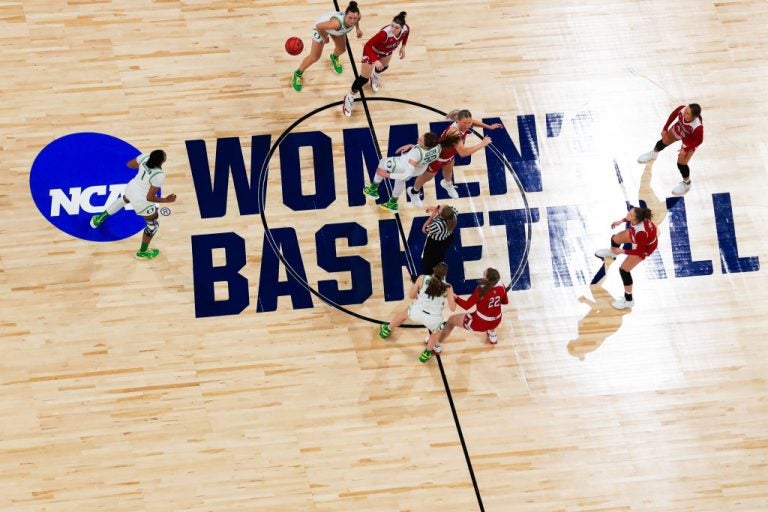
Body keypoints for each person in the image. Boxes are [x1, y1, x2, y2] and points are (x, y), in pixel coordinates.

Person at [89, 150, 177, 260]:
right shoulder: (159, 176)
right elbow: (149, 198)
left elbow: (129, 164)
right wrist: (166, 200)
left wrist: (143, 168)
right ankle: (142, 252)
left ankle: (98, 219)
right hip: (141, 200)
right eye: (165, 155)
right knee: (153, 225)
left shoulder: (145, 157)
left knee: (123, 200)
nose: (165, 155)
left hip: (132, 187)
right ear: (162, 161)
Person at [407, 109, 503, 204]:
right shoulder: (454, 132)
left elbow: (473, 121)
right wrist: (482, 144)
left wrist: (489, 127)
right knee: (426, 177)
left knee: (448, 172)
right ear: (457, 121)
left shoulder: (466, 123)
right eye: (464, 123)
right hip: (437, 158)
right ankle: (413, 192)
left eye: (468, 123)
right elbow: (463, 153)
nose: (467, 125)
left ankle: (447, 184)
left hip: (449, 156)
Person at [362, 131, 460, 213]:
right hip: (419, 169)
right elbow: (424, 152)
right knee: (400, 182)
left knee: (382, 163)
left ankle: (373, 190)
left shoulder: (416, 153)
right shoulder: (438, 146)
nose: (418, 138)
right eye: (421, 137)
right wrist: (411, 146)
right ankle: (392, 203)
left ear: (426, 145)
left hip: (404, 167)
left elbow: (406, 174)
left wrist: (387, 174)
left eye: (421, 140)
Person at [378, 262, 456, 363]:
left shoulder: (422, 278)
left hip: (417, 311)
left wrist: (418, 297)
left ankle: (386, 329)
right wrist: (454, 298)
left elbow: (411, 295)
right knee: (436, 333)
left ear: (433, 269)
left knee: (403, 315)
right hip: (433, 318)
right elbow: (453, 308)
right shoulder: (448, 287)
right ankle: (427, 352)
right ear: (445, 275)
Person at [342, 11, 409, 116]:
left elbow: (406, 35)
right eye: (392, 26)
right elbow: (367, 46)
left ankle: (375, 75)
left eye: (396, 28)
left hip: (386, 51)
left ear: (402, 27)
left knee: (384, 67)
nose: (393, 29)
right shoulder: (384, 34)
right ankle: (349, 97)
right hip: (371, 52)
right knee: (363, 79)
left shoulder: (406, 29)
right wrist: (375, 60)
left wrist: (403, 46)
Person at [594, 207, 658, 310]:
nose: (627, 215)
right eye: (629, 213)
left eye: (630, 215)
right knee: (615, 238)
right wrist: (621, 221)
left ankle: (628, 300)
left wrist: (623, 251)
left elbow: (640, 251)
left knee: (624, 270)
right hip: (637, 236)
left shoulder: (641, 233)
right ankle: (612, 253)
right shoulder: (640, 217)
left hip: (645, 247)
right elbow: (630, 218)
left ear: (635, 219)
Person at [290, 2, 363, 92]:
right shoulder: (337, 23)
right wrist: (324, 38)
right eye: (350, 18)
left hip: (334, 30)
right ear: (345, 16)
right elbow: (319, 26)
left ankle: (334, 57)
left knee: (342, 49)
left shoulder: (357, 17)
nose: (352, 21)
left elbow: (357, 21)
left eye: (354, 18)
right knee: (314, 57)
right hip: (321, 29)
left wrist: (358, 29)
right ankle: (297, 74)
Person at [637, 103, 703, 196]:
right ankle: (653, 154)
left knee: (681, 163)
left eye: (687, 113)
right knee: (664, 140)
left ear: (694, 117)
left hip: (690, 140)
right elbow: (673, 115)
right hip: (680, 128)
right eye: (686, 109)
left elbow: (699, 141)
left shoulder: (698, 128)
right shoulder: (682, 109)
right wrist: (665, 128)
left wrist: (686, 148)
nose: (684, 112)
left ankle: (687, 184)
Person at [437, 267, 508, 347]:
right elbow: (505, 302)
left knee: (451, 321)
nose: (483, 273)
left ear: (487, 278)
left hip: (480, 323)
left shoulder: (481, 290)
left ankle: (436, 344)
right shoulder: (502, 286)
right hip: (496, 321)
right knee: (491, 312)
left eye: (484, 273)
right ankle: (493, 336)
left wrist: (456, 298)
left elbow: (466, 306)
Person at [420, 204, 458, 278]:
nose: (439, 206)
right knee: (439, 256)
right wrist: (435, 209)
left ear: (441, 215)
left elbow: (424, 229)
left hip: (434, 243)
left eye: (439, 207)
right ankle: (438, 269)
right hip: (447, 239)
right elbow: (449, 210)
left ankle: (427, 277)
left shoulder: (438, 226)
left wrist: (433, 215)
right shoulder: (453, 213)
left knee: (427, 260)